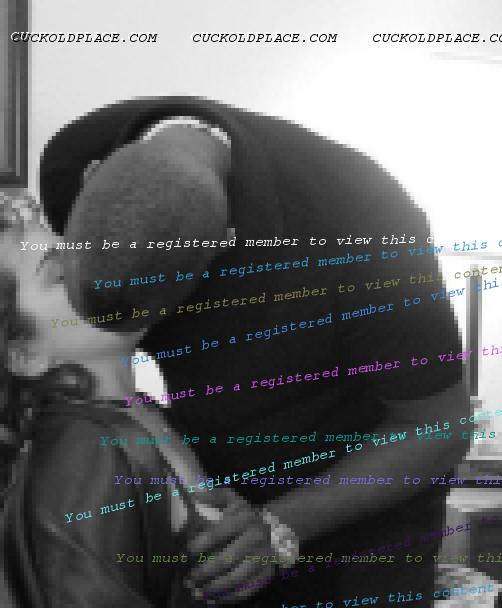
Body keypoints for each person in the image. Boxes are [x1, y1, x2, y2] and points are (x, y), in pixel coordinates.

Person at [39, 96, 471, 605]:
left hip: (364, 529)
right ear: (90, 176)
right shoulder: (68, 161)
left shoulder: (372, 223)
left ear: (226, 242)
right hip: (220, 504)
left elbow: (437, 426)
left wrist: (278, 526)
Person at [0, 191, 268, 606]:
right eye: (59, 274)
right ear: (25, 355)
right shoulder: (87, 449)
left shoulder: (137, 413)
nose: (100, 273)